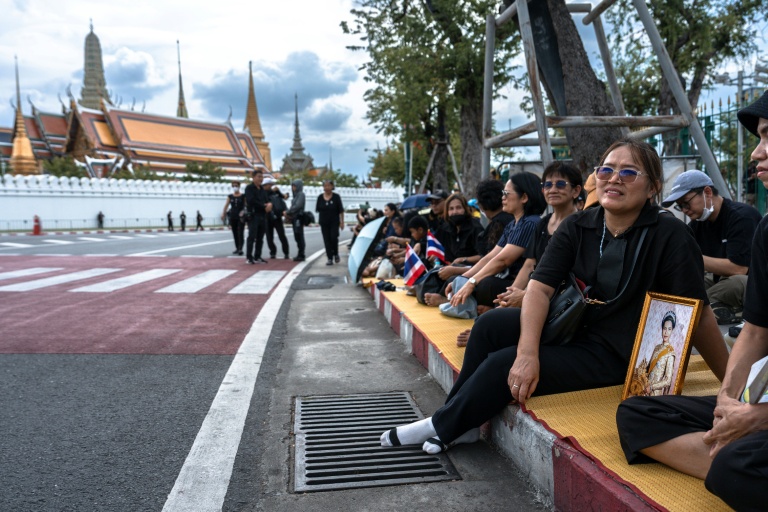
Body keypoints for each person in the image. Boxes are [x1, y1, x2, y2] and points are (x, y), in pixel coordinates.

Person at [379, 137, 729, 455]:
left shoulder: (670, 235)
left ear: (653, 187)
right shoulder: (579, 225)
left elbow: (698, 316)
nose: (614, 179)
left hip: (617, 353)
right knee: (490, 326)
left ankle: (444, 425)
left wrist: (731, 388)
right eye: (606, 170)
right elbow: (539, 287)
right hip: (571, 327)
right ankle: (461, 422)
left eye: (628, 172)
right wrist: (528, 353)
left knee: (502, 364)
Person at [615, 91, 768, 511]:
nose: (756, 153)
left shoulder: (743, 218)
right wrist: (727, 403)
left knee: (735, 467)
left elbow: (735, 271)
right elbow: (756, 330)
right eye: (606, 172)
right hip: (761, 394)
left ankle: (732, 462)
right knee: (635, 412)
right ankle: (733, 457)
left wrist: (758, 419)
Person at [661, 169, 762, 324]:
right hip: (719, 282)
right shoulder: (698, 224)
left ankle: (702, 309)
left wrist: (691, 255)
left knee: (733, 284)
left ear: (707, 192)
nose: (685, 210)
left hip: (752, 283)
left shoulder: (742, 217)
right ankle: (720, 309)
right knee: (683, 285)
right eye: (680, 206)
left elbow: (739, 269)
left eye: (686, 203)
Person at [442, 172, 546, 311]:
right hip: (506, 279)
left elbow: (503, 260)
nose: (502, 197)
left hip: (520, 285)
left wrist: (471, 282)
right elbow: (490, 257)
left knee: (486, 284)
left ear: (524, 197)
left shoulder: (530, 223)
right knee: (456, 280)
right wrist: (464, 278)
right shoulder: (513, 224)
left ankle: (481, 308)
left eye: (506, 193)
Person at [643, 311, 677, 396]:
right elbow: (648, 369)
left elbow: (668, 381)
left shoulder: (670, 353)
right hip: (645, 390)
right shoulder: (657, 348)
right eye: (664, 328)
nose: (666, 332)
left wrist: (652, 387)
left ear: (672, 331)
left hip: (655, 393)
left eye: (669, 329)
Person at [243, 169, 272, 264]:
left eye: (262, 177)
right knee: (252, 237)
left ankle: (257, 256)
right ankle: (249, 257)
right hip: (253, 215)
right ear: (253, 177)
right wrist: (263, 205)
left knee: (260, 237)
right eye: (259, 177)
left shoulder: (262, 189)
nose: (261, 179)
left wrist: (269, 204)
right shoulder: (249, 188)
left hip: (262, 215)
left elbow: (266, 199)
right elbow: (251, 201)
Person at [316, 180, 344, 265]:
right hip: (324, 222)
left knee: (333, 238)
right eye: (325, 186)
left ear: (332, 186)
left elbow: (341, 210)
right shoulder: (320, 197)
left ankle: (336, 253)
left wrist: (342, 222)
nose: (327, 188)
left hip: (334, 222)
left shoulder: (336, 197)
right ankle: (329, 258)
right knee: (326, 240)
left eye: (329, 186)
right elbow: (318, 209)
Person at [263, 177, 290, 259]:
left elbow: (284, 198)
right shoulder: (262, 194)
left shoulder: (276, 193)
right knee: (269, 237)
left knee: (282, 235)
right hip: (267, 217)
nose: (269, 186)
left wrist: (278, 191)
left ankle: (286, 252)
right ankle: (272, 252)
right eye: (268, 185)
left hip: (277, 216)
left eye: (270, 185)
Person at [221, 180, 245, 255]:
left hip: (241, 217)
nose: (235, 187)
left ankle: (240, 248)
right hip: (233, 216)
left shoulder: (243, 196)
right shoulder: (230, 196)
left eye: (236, 186)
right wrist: (223, 213)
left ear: (239, 186)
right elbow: (226, 205)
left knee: (240, 233)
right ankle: (237, 248)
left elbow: (247, 205)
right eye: (233, 186)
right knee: (235, 233)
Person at [286, 179, 306, 262]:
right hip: (294, 218)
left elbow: (298, 206)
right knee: (296, 236)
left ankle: (301, 254)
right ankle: (300, 253)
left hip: (298, 218)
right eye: (292, 186)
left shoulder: (301, 195)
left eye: (294, 186)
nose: (293, 188)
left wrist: (288, 211)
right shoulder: (296, 195)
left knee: (299, 235)